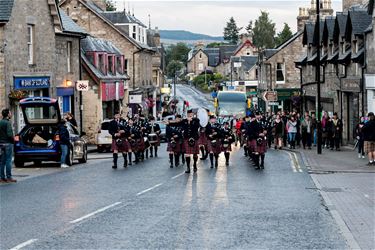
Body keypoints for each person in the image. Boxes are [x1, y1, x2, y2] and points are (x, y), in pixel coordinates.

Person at [0, 109, 16, 183]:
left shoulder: (0, 122)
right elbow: (10, 135)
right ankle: (9, 177)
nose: (11, 114)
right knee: (8, 161)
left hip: (1, 144)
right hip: (8, 144)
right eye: (10, 112)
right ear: (7, 114)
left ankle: (1, 178)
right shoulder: (8, 123)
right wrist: (13, 140)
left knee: (2, 161)